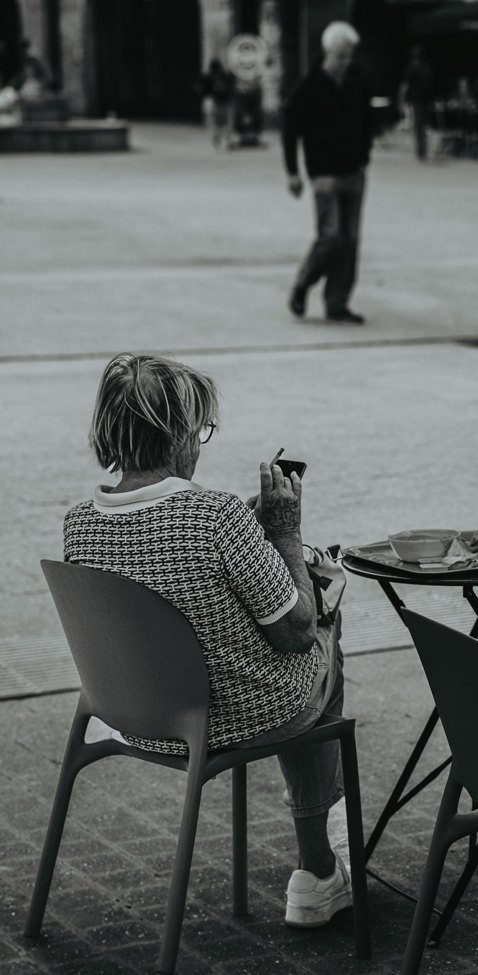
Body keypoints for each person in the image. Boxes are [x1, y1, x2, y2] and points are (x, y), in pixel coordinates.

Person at [63, 353, 351, 928]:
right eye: (199, 430)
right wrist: (284, 533)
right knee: (325, 636)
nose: (200, 443)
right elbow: (295, 634)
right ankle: (317, 866)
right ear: (176, 435)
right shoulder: (215, 517)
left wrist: (248, 537)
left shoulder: (80, 523)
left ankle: (323, 846)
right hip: (237, 717)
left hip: (133, 716)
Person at [282, 21, 372, 325]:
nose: (347, 61)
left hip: (354, 171)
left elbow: (367, 120)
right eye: (342, 55)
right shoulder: (309, 87)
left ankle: (337, 302)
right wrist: (292, 171)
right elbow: (290, 128)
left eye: (350, 55)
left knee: (350, 241)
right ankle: (303, 284)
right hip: (324, 173)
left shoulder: (356, 82)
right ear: (328, 53)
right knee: (332, 237)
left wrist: (365, 155)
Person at [401, 45, 434, 161]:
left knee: (418, 126)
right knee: (423, 125)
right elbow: (430, 86)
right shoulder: (426, 69)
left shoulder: (412, 68)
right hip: (425, 100)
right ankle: (423, 149)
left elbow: (406, 84)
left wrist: (403, 98)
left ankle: (420, 150)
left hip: (416, 100)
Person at [200, 58, 234, 150]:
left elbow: (204, 89)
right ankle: (225, 140)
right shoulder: (224, 76)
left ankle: (219, 139)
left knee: (217, 122)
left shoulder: (211, 77)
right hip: (223, 102)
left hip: (217, 102)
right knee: (224, 122)